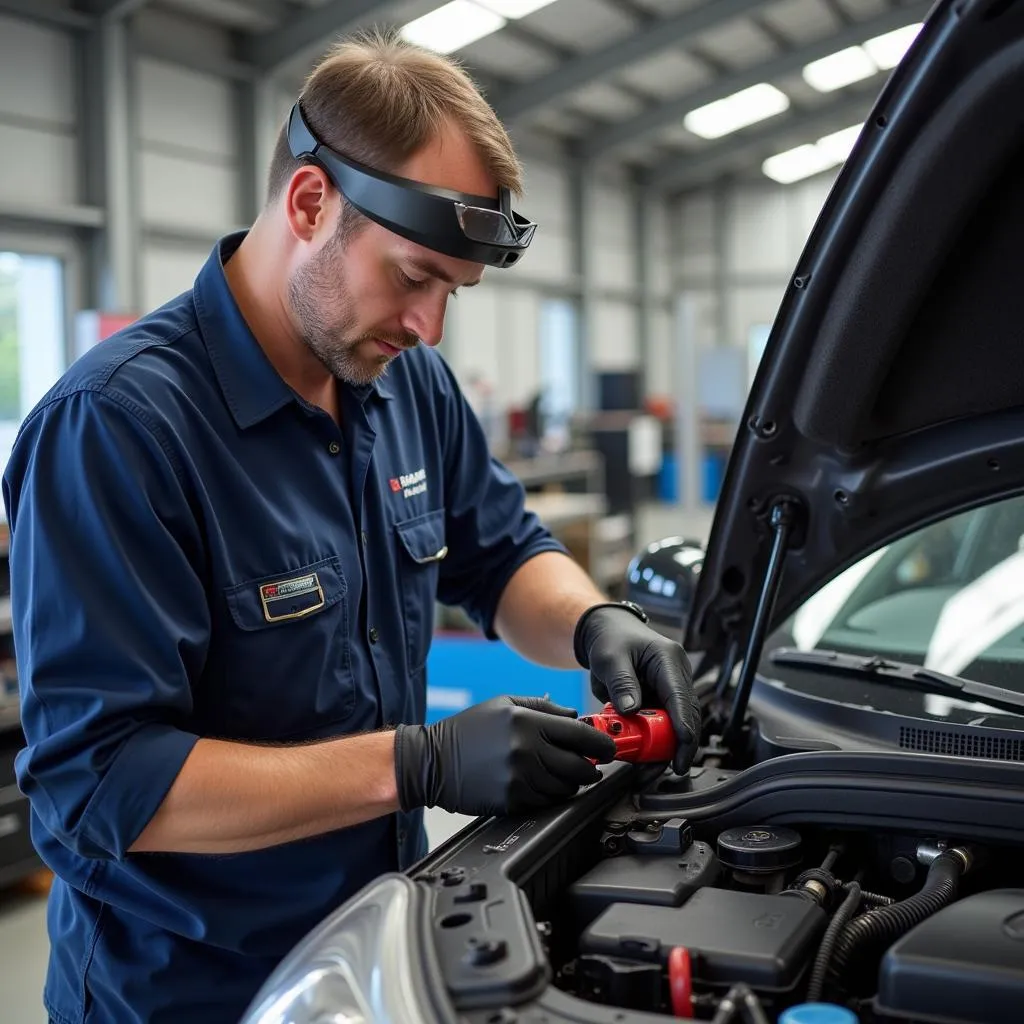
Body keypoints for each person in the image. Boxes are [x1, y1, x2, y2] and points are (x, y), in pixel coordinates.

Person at [2, 31, 702, 1024]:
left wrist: (597, 624)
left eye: (452, 293)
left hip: (379, 954)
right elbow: (101, 781)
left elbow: (500, 554)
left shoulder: (403, 383)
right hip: (191, 990)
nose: (430, 327)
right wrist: (415, 764)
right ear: (308, 203)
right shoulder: (118, 427)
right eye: (415, 276)